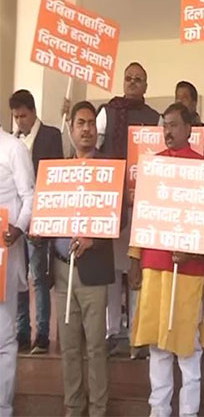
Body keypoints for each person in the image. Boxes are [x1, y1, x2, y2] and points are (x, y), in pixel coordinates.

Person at [129, 102, 204, 417]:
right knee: (157, 346)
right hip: (154, 266)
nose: (168, 131)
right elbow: (141, 218)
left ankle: (189, 413)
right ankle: (158, 411)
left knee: (188, 348)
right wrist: (134, 260)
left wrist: (193, 250)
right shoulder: (152, 166)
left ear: (189, 129)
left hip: (188, 270)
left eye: (174, 125)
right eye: (165, 125)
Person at [52, 101, 126, 416]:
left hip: (93, 270)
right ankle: (73, 407)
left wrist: (93, 239)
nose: (86, 129)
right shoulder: (56, 171)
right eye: (80, 123)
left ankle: (98, 409)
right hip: (60, 269)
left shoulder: (109, 169)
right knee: (69, 348)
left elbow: (120, 215)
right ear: (71, 130)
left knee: (95, 347)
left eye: (91, 124)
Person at [95, 62, 160, 358]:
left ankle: (137, 333)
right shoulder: (107, 113)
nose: (133, 83)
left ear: (146, 86)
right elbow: (89, 148)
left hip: (142, 205)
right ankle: (112, 331)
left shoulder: (154, 118)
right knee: (111, 272)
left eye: (139, 80)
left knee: (136, 272)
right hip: (111, 203)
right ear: (123, 81)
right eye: (129, 78)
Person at [10, 89, 63, 354]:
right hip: (16, 220)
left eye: (23, 116)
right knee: (19, 277)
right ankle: (21, 331)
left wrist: (44, 220)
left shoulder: (51, 135)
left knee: (39, 277)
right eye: (16, 117)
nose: (20, 121)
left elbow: (53, 180)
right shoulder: (11, 142)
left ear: (33, 112)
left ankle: (42, 332)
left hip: (39, 216)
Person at [0, 119, 34, 417]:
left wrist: (19, 228)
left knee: (4, 335)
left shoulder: (13, 148)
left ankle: (4, 408)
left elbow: (30, 197)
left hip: (4, 255)